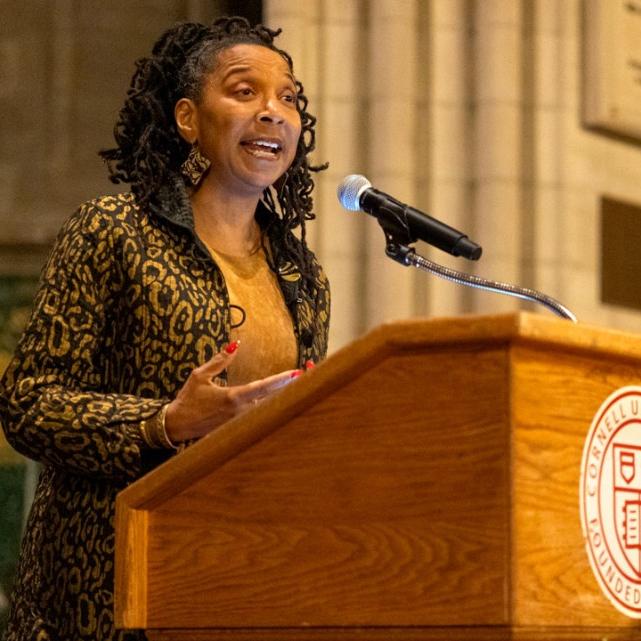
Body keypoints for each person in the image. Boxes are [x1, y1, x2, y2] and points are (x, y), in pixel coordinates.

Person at [0, 16, 330, 641]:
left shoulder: (301, 274)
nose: (274, 112)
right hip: (108, 594)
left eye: (288, 98)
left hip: (242, 588)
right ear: (187, 119)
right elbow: (28, 404)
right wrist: (165, 423)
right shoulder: (114, 230)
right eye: (244, 91)